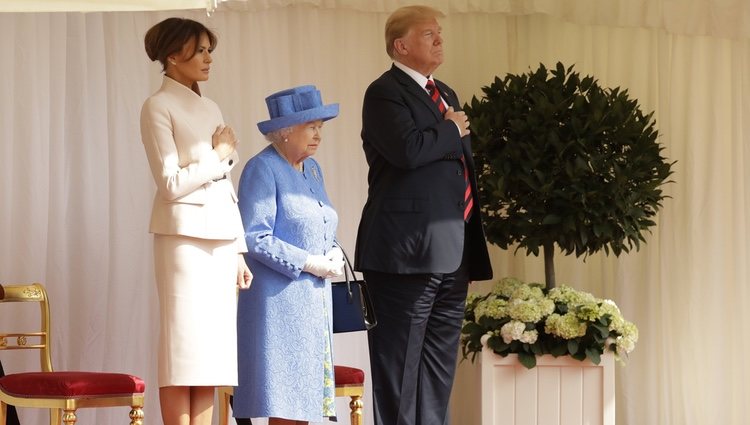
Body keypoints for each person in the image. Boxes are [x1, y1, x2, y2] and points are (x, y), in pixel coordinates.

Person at [354, 5, 493, 425]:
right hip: (404, 253)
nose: (439, 40)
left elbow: (459, 168)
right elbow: (408, 151)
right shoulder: (384, 92)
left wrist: (450, 129)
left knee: (437, 370)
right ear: (401, 45)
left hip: (452, 250)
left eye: (439, 34)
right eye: (429, 34)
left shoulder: (446, 93)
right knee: (399, 370)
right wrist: (450, 130)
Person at [140, 17, 252, 425]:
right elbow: (170, 182)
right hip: (182, 238)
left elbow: (226, 183)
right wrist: (218, 153)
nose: (208, 59)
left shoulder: (211, 107)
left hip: (222, 239)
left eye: (209, 50)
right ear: (173, 55)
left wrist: (239, 250)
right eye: (200, 50)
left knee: (212, 353)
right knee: (182, 348)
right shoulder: (157, 106)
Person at [233, 85, 345, 425]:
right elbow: (255, 236)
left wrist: (334, 252)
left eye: (320, 128)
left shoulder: (312, 169)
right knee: (286, 402)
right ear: (284, 132)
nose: (318, 135)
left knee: (305, 405)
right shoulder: (262, 169)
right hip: (278, 307)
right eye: (310, 127)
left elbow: (322, 222)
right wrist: (309, 262)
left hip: (314, 306)